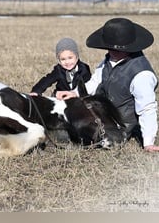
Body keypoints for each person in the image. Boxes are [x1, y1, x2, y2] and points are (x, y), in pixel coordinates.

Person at [56, 17, 159, 152]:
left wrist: (148, 142)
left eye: (114, 48)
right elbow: (95, 81)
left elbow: (147, 109)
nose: (110, 51)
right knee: (60, 122)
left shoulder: (142, 74)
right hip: (98, 111)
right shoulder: (109, 59)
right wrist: (74, 92)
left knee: (69, 135)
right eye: (108, 47)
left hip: (118, 125)